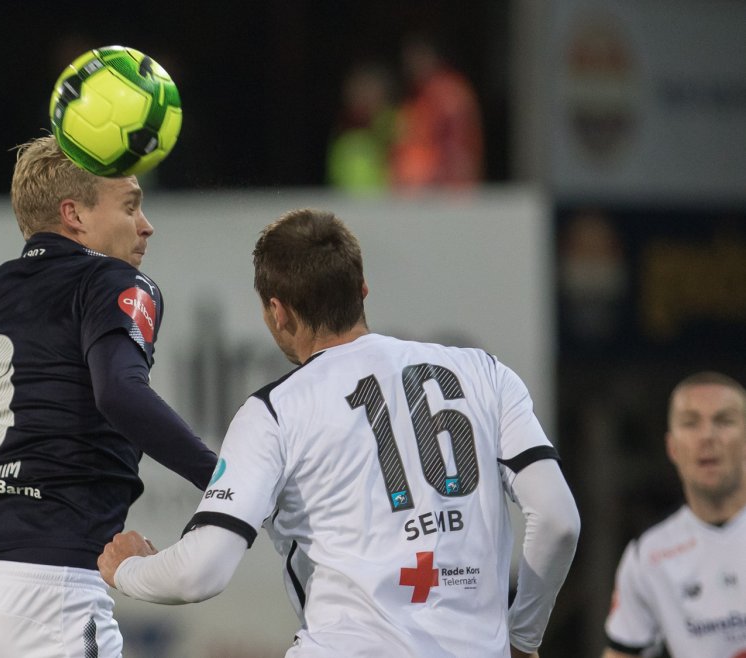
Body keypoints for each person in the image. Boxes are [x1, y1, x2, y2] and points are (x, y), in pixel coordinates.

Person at [98, 208, 580, 658]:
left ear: (277, 311)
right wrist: (523, 635)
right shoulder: (485, 373)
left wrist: (128, 569)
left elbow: (201, 571)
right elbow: (559, 520)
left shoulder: (274, 411)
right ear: (362, 289)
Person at [0, 135, 218, 658]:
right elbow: (120, 393)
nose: (146, 224)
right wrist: (226, 482)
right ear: (74, 214)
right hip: (47, 589)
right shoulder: (112, 280)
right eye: (130, 205)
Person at [602, 372, 746, 658]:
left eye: (724, 421)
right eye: (691, 423)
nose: (707, 436)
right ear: (672, 447)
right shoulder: (648, 555)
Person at [391, 33, 484, 190]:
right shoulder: (417, 95)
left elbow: (456, 145)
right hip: (418, 190)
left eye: (416, 57)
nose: (410, 66)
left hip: (442, 189)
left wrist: (447, 181)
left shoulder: (448, 92)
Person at [325, 62, 398, 195]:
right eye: (356, 90)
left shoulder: (401, 126)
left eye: (368, 88)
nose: (361, 96)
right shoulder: (344, 138)